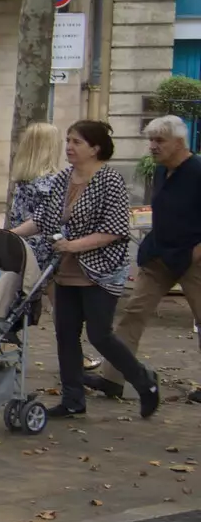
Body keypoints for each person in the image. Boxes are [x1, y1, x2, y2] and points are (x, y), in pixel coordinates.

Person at [10, 120, 159, 419]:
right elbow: (42, 218)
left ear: (95, 148)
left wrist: (74, 245)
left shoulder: (110, 181)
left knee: (99, 334)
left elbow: (116, 229)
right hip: (65, 268)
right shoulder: (63, 178)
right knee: (65, 334)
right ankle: (73, 399)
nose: (69, 147)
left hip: (100, 270)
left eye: (76, 142)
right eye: (68, 140)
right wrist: (12, 235)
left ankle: (144, 381)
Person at [81, 115, 201, 404]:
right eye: (150, 139)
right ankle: (112, 378)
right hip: (158, 257)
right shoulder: (160, 172)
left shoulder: (197, 171)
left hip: (193, 259)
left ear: (179, 142)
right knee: (133, 314)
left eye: (159, 140)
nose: (152, 146)